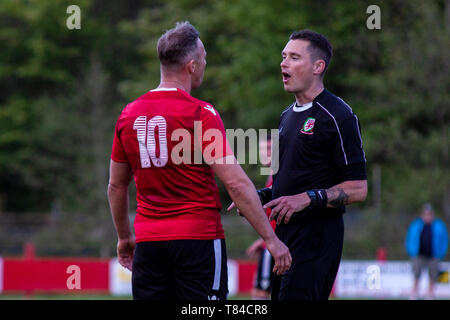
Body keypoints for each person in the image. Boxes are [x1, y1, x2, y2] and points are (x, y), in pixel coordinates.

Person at [107, 21, 291, 300]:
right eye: (204, 59)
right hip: (197, 240)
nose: (205, 65)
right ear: (192, 66)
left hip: (149, 243)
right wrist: (271, 240)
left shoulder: (128, 114)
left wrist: (124, 237)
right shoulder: (200, 113)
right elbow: (236, 183)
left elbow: (116, 187)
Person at [259, 29, 368, 300]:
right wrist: (257, 196)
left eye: (294, 57)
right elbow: (287, 186)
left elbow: (358, 189)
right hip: (283, 238)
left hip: (317, 238)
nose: (284, 63)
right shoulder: (285, 117)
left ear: (318, 66)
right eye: (284, 56)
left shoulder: (338, 115)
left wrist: (307, 199)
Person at [245, 137, 276, 299]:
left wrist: (266, 241)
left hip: (274, 245)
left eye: (270, 149)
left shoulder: (278, 175)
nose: (266, 153)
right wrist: (261, 241)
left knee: (260, 293)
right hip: (270, 243)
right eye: (263, 149)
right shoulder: (270, 175)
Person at [405, 203, 448, 300]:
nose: (427, 216)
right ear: (422, 215)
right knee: (416, 273)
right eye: (425, 214)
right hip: (418, 255)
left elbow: (444, 240)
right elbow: (409, 239)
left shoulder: (439, 225)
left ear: (432, 215)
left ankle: (430, 294)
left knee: (433, 274)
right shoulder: (416, 225)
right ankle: (414, 293)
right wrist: (411, 252)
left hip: (434, 255)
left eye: (429, 214)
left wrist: (441, 253)